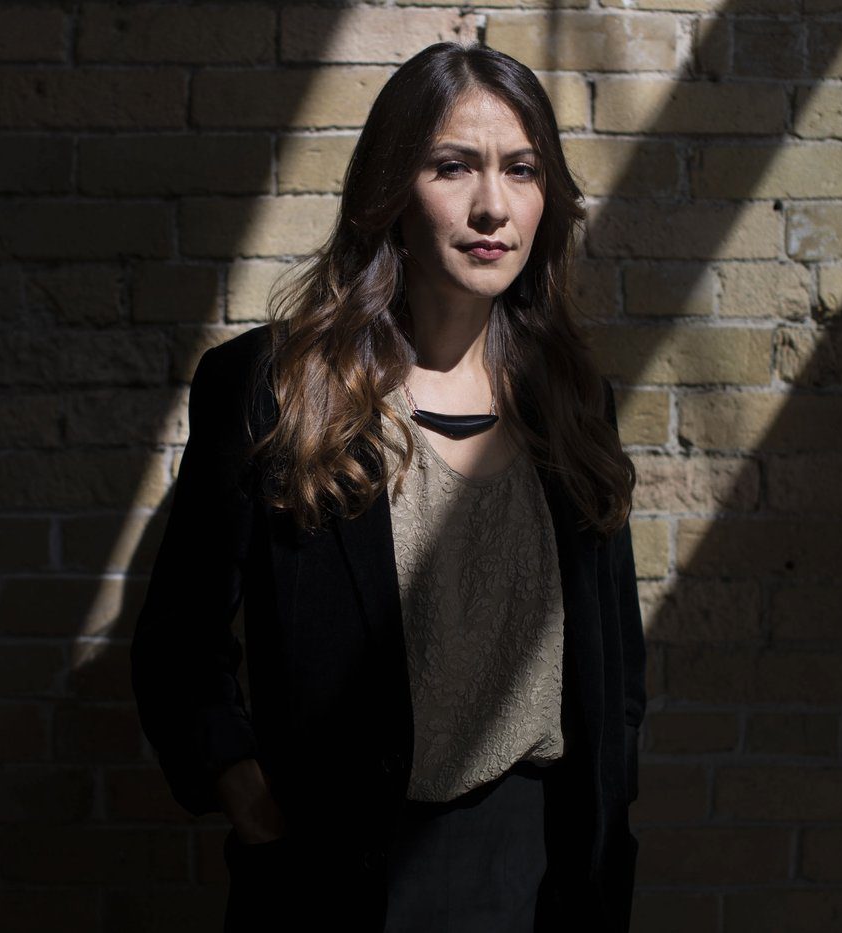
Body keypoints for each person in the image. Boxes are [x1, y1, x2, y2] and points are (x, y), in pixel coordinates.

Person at [130, 41, 645, 933]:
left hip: (537, 871)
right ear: (390, 192)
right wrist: (253, 804)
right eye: (453, 166)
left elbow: (617, 675)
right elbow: (178, 645)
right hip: (341, 876)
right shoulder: (275, 391)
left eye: (521, 170)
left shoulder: (571, 403)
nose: (492, 205)